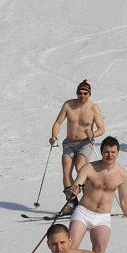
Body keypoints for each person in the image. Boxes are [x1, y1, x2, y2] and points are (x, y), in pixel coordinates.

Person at [66, 136, 127, 253]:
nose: (110, 155)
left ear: (118, 152)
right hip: (83, 212)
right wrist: (74, 191)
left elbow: (124, 199)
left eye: (113, 152)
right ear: (101, 152)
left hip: (102, 217)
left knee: (99, 251)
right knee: (71, 246)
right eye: (107, 152)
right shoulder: (89, 168)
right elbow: (77, 184)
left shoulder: (122, 174)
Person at [49, 79, 105, 210]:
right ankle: (71, 202)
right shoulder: (68, 105)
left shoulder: (93, 108)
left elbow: (101, 129)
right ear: (76, 93)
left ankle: (89, 199)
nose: (82, 95)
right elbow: (58, 122)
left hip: (85, 143)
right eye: (80, 93)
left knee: (80, 167)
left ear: (89, 94)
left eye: (85, 93)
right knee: (66, 170)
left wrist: (93, 134)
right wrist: (53, 137)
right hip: (69, 143)